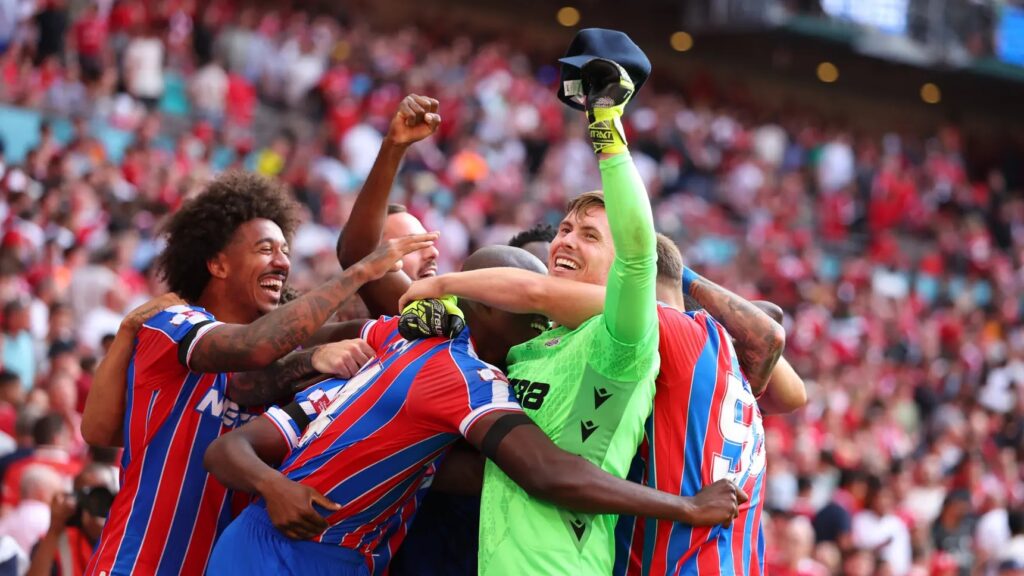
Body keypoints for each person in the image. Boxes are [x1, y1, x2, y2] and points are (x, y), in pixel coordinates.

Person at [204, 245, 745, 576]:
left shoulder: (397, 338)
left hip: (312, 548)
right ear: (487, 307)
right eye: (532, 312)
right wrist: (684, 506)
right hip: (297, 552)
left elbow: (469, 474)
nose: (543, 322)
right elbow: (545, 472)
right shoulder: (461, 378)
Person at [81, 171, 437, 576]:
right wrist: (359, 272)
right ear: (217, 263)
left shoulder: (288, 363)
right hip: (139, 565)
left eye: (284, 251)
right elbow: (252, 347)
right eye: (265, 249)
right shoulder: (174, 323)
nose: (282, 262)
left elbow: (354, 335)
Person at [28, 463, 118, 576]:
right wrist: (54, 529)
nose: (96, 504)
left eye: (102, 497)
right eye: (90, 497)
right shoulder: (58, 541)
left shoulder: (125, 537)